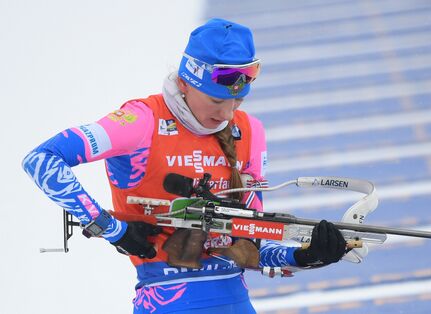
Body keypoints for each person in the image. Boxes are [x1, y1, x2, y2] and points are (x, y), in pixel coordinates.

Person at [22, 18, 347, 313]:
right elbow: (41, 160)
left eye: (238, 101)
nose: (228, 113)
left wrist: (306, 255)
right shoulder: (140, 120)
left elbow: (252, 246)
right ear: (185, 82)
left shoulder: (249, 131)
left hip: (235, 302)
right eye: (217, 101)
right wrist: (111, 229)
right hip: (166, 301)